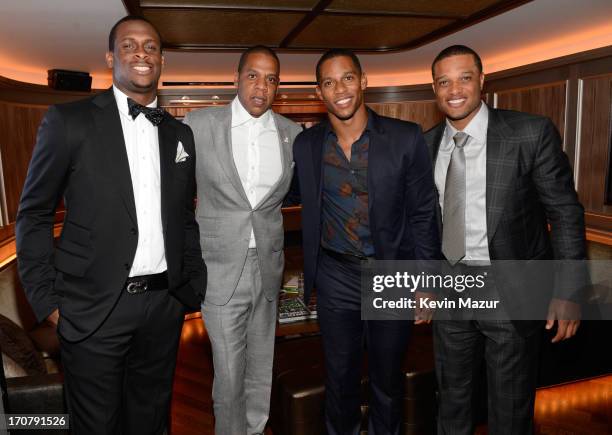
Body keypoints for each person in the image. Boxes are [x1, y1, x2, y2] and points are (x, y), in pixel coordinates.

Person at [15, 15, 206, 434]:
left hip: (164, 307)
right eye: (129, 45)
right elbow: (33, 214)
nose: (142, 52)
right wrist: (47, 303)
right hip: (93, 307)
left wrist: (192, 285)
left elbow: (184, 218)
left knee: (152, 421)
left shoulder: (180, 135)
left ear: (162, 59)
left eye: (151, 46)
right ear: (110, 58)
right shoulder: (69, 122)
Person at [425, 44, 585, 434]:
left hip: (511, 287)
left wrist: (568, 292)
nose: (454, 89)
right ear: (434, 89)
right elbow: (423, 224)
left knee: (510, 408)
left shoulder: (529, 132)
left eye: (464, 77)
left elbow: (564, 213)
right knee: (452, 400)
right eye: (443, 81)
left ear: (482, 80)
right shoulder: (425, 144)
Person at [289, 49, 439, 435]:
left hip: (391, 274)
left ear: (363, 81)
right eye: (328, 82)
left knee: (386, 380)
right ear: (319, 91)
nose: (339, 89)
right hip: (335, 275)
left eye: (347, 78)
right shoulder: (306, 147)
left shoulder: (405, 138)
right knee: (339, 378)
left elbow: (424, 213)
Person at [183, 45, 301, 435]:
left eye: (271, 79)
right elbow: (175, 195)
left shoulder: (291, 134)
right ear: (236, 78)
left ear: (277, 87)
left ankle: (255, 429)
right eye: (253, 75)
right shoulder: (199, 125)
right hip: (219, 268)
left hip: (268, 268)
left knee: (260, 366)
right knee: (230, 372)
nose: (261, 86)